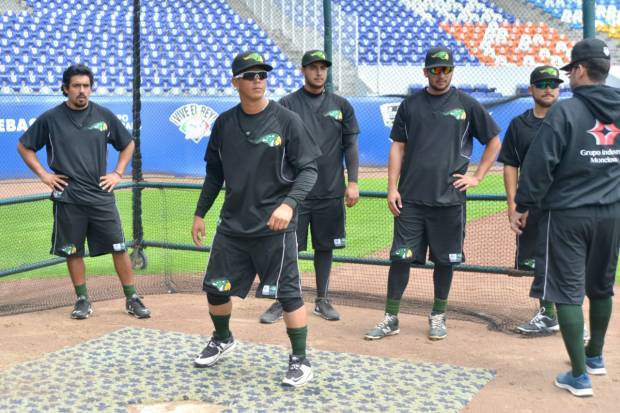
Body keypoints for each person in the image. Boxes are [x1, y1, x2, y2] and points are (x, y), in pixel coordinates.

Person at [190, 51, 321, 387]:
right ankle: (222, 339)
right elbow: (214, 173)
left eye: (262, 74)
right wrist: (200, 212)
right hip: (232, 226)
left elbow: (309, 169)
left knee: (288, 295)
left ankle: (300, 360)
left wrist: (289, 204)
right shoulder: (224, 124)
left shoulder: (287, 121)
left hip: (274, 228)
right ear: (236, 82)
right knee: (216, 290)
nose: (258, 80)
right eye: (250, 76)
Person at [365, 47, 501, 341]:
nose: (441, 75)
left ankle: (438, 316)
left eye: (446, 69)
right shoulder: (410, 105)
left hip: (449, 200)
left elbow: (493, 141)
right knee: (400, 257)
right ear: (425, 72)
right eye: (436, 70)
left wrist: (476, 177)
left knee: (445, 261)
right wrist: (391, 188)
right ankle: (391, 318)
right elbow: (397, 147)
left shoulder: (466, 104)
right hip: (411, 199)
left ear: (452, 71)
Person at [511, 38, 619, 397]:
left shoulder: (565, 111)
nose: (569, 76)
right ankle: (596, 357)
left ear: (582, 70)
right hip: (612, 213)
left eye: (571, 70)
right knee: (602, 286)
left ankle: (579, 375)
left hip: (569, 214)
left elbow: (540, 164)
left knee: (567, 292)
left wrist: (523, 204)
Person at [16, 64, 150, 320]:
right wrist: (44, 175)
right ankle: (82, 300)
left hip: (101, 196)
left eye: (86, 86)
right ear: (65, 89)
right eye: (76, 86)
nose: (82, 91)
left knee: (119, 247)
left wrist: (118, 173)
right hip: (68, 197)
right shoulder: (50, 119)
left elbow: (128, 144)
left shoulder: (103, 116)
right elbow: (24, 147)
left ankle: (132, 297)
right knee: (73, 251)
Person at [259, 50, 360, 324]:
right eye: (313, 67)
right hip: (296, 193)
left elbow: (350, 145)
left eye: (323, 68)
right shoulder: (287, 104)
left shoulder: (341, 105)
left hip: (330, 189)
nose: (319, 73)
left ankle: (323, 299)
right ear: (303, 70)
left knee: (324, 247)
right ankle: (284, 299)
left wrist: (353, 182)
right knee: (287, 247)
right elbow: (274, 147)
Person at [499, 66, 563, 335]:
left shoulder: (569, 119)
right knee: (536, 261)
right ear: (531, 89)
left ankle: (568, 316)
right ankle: (548, 313)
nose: (548, 88)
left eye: (553, 83)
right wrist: (513, 205)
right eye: (542, 83)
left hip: (564, 204)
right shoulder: (519, 124)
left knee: (565, 260)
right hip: (532, 204)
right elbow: (510, 165)